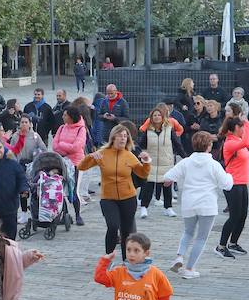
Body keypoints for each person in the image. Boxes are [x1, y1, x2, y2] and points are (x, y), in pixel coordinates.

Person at [163, 132, 233, 278]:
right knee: (201, 238)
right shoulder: (214, 164)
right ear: (209, 146)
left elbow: (168, 176)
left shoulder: (186, 162)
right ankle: (189, 269)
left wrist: (170, 180)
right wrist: (230, 176)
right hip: (207, 204)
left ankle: (179, 256)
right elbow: (227, 185)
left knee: (188, 232)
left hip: (189, 202)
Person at [81, 124, 150, 261]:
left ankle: (127, 262)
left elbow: (142, 173)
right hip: (108, 198)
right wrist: (90, 157)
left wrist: (147, 162)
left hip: (128, 198)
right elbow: (81, 166)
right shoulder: (103, 153)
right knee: (112, 226)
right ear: (113, 137)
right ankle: (108, 259)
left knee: (127, 232)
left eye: (125, 136)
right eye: (120, 135)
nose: (123, 138)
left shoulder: (130, 155)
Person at [214, 114, 249, 258]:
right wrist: (248, 123)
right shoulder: (230, 142)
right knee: (234, 216)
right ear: (236, 127)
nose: (243, 129)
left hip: (242, 183)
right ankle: (221, 246)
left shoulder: (239, 141)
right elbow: (244, 142)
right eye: (241, 126)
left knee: (242, 215)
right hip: (232, 184)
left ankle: (233, 243)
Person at [137, 106, 177, 218]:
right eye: (154, 115)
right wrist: (140, 154)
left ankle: (168, 208)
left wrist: (185, 156)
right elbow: (139, 145)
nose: (157, 117)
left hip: (166, 162)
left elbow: (177, 143)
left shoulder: (169, 129)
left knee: (167, 186)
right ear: (151, 118)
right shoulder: (148, 131)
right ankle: (144, 208)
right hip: (151, 163)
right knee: (148, 187)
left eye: (159, 115)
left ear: (163, 117)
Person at [53, 107, 88, 226]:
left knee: (74, 190)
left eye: (65, 115)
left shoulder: (81, 129)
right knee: (61, 190)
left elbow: (77, 146)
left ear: (71, 117)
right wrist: (66, 148)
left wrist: (62, 145)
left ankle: (78, 215)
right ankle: (65, 214)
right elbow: (54, 146)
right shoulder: (61, 128)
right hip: (62, 161)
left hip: (76, 163)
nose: (63, 117)